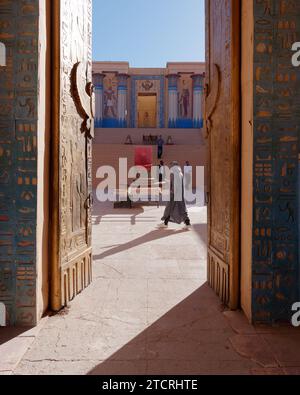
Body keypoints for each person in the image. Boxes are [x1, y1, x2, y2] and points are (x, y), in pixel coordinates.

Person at [159, 161, 191, 228]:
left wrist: (171, 191)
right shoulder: (180, 173)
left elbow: (172, 183)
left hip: (174, 193)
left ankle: (165, 223)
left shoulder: (173, 172)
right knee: (182, 208)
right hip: (180, 193)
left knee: (169, 208)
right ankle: (187, 223)